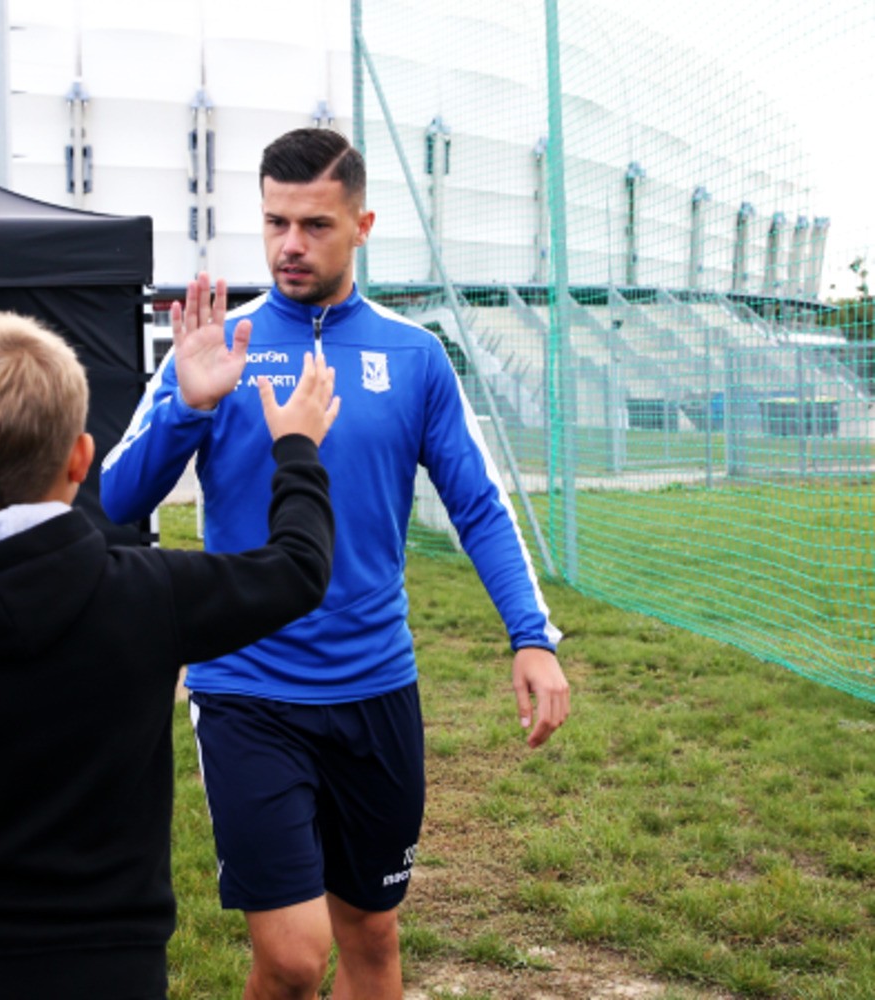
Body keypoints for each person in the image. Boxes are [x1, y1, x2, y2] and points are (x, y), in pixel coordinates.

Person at [100, 128, 571, 1000]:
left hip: (375, 686)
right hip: (247, 687)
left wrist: (530, 636)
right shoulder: (217, 345)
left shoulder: (415, 355)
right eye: (275, 221)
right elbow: (116, 497)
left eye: (315, 224)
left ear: (362, 225)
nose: (289, 244)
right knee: (289, 960)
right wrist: (189, 409)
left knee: (373, 938)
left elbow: (477, 504)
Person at [0, 309, 339, 1000]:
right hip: (115, 970)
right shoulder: (151, 593)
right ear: (80, 458)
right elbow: (298, 569)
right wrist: (298, 449)